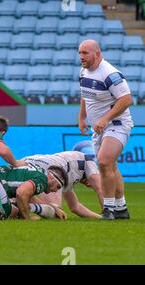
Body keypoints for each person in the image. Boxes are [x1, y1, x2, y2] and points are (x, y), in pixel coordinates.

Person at [78, 39, 133, 220]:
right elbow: (85, 95)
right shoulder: (83, 71)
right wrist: (81, 118)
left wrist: (105, 118)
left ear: (97, 54)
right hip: (98, 128)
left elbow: (126, 99)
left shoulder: (110, 74)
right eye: (80, 53)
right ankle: (121, 208)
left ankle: (108, 209)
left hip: (117, 124)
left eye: (85, 53)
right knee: (110, 166)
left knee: (103, 162)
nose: (81, 57)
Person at [22, 151, 103, 219]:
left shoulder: (70, 173)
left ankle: (22, 209)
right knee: (55, 212)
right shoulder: (87, 162)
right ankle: (28, 208)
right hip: (33, 166)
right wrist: (108, 212)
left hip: (25, 164)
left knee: (13, 208)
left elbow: (75, 207)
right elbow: (100, 188)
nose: (89, 185)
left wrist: (100, 218)